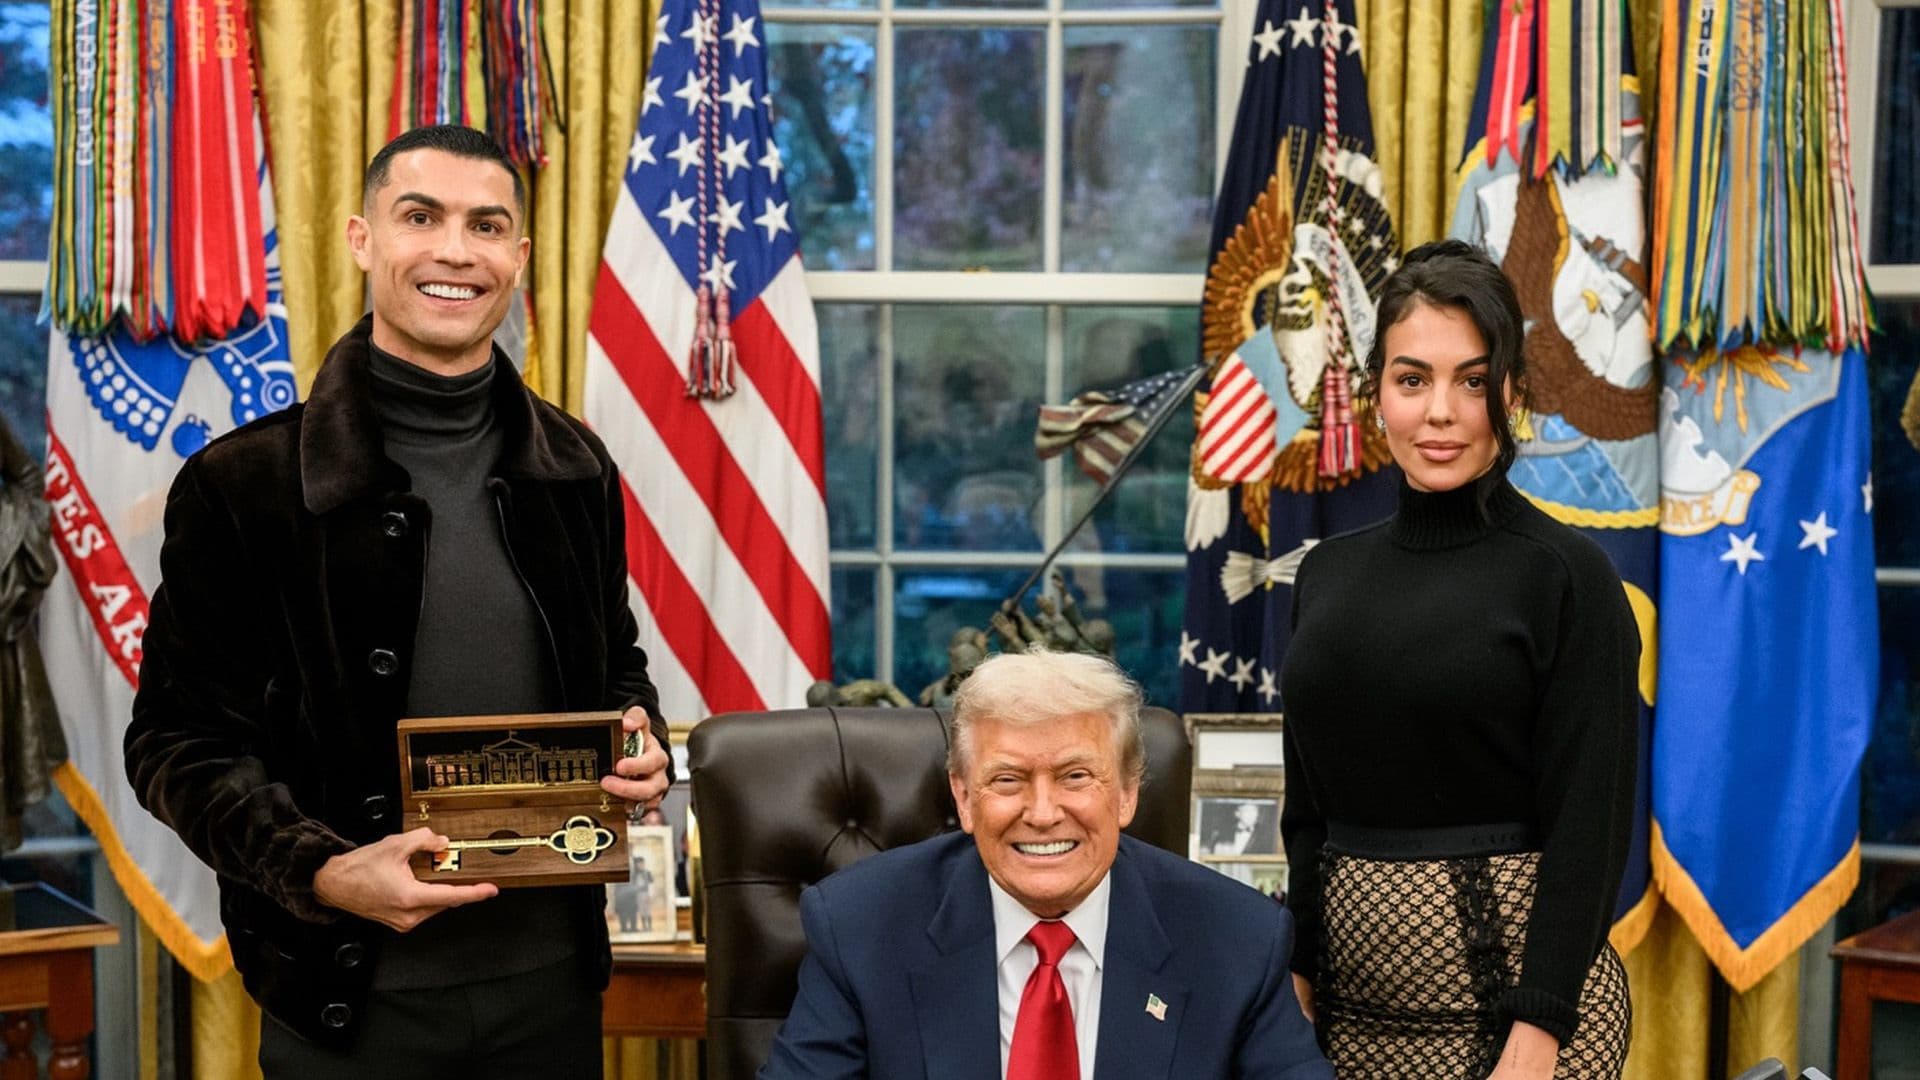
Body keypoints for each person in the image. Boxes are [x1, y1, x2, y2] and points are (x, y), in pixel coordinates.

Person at [124, 125, 673, 1078]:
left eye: (486, 225)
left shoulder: (575, 467)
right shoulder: (242, 484)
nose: (455, 251)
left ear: (519, 257)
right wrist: (322, 871)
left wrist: (639, 740)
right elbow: (174, 745)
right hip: (345, 996)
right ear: (362, 238)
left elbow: (617, 665)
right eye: (420, 217)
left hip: (552, 993)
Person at [1280, 239, 1640, 1079]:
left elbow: (1592, 822)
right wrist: (1295, 972)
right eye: (1413, 379)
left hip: (1521, 1027)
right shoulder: (1326, 571)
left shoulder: (1567, 575)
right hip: (1342, 1021)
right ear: (1377, 394)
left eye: (1472, 381)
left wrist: (1541, 1029)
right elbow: (1307, 813)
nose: (1440, 411)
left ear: (1511, 392)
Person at [760, 650, 1333, 1080]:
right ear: (962, 797)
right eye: (1007, 780)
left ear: (1128, 792)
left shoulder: (1236, 937)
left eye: (1075, 776)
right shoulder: (861, 925)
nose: (1042, 813)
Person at [1203, 799, 1278, 857]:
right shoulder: (1222, 833)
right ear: (1237, 814)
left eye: (1255, 811)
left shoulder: (1265, 836)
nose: (1252, 815)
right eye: (1248, 811)